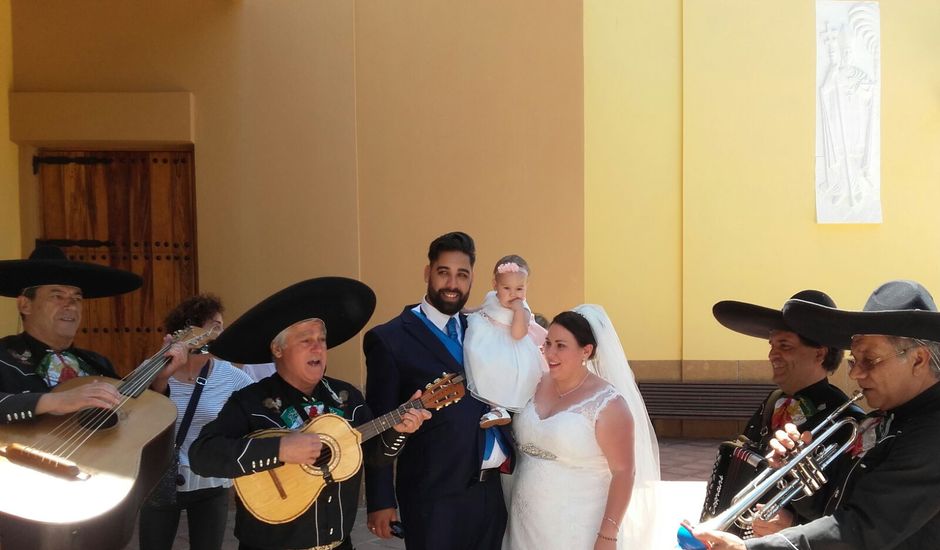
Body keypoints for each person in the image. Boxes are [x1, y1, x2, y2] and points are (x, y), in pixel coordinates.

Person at [688, 280, 940, 549]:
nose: (855, 374)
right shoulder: (886, 418)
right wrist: (795, 470)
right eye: (854, 361)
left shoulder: (932, 432)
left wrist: (748, 548)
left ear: (918, 360)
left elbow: (863, 527)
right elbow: (832, 505)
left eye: (870, 360)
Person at [188, 277, 430, 550]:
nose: (318, 348)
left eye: (322, 340)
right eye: (306, 340)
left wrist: (399, 431)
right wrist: (279, 449)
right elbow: (202, 455)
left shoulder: (348, 398)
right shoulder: (249, 401)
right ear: (277, 349)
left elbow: (373, 456)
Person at [364, 231, 514, 550]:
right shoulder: (390, 339)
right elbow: (379, 423)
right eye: (443, 272)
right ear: (427, 273)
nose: (452, 284)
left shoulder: (481, 328)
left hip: (490, 492)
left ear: (472, 278)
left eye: (462, 275)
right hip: (432, 498)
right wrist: (380, 500)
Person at [707, 290, 861, 536]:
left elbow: (844, 511)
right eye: (772, 345)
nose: (772, 354)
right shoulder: (774, 401)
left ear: (820, 353)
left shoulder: (846, 419)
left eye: (784, 345)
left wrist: (793, 524)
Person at [506, 305, 660, 549]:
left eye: (561, 346)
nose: (550, 353)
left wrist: (608, 535)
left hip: (578, 529)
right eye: (548, 343)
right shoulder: (534, 383)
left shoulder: (609, 404)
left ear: (585, 351)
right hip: (524, 526)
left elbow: (624, 472)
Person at [0, 245, 186, 423]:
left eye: (76, 298)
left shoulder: (97, 364)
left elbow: (130, 420)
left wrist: (157, 380)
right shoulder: (4, 357)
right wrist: (55, 401)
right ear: (25, 305)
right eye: (57, 296)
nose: (70, 305)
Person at [138, 293, 254, 550]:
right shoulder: (154, 369)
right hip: (161, 480)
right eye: (215, 327)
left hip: (212, 482)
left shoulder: (232, 377)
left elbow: (258, 414)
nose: (222, 334)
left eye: (222, 327)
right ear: (192, 331)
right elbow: (140, 420)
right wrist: (161, 378)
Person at [464, 254, 547, 428]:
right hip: (488, 338)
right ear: (495, 286)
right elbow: (484, 309)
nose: (513, 294)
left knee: (500, 372)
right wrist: (467, 311)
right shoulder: (491, 297)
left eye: (519, 289)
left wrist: (517, 312)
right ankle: (493, 405)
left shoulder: (522, 309)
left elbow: (518, 334)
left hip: (510, 348)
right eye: (506, 288)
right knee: (480, 361)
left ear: (526, 287)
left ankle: (499, 408)